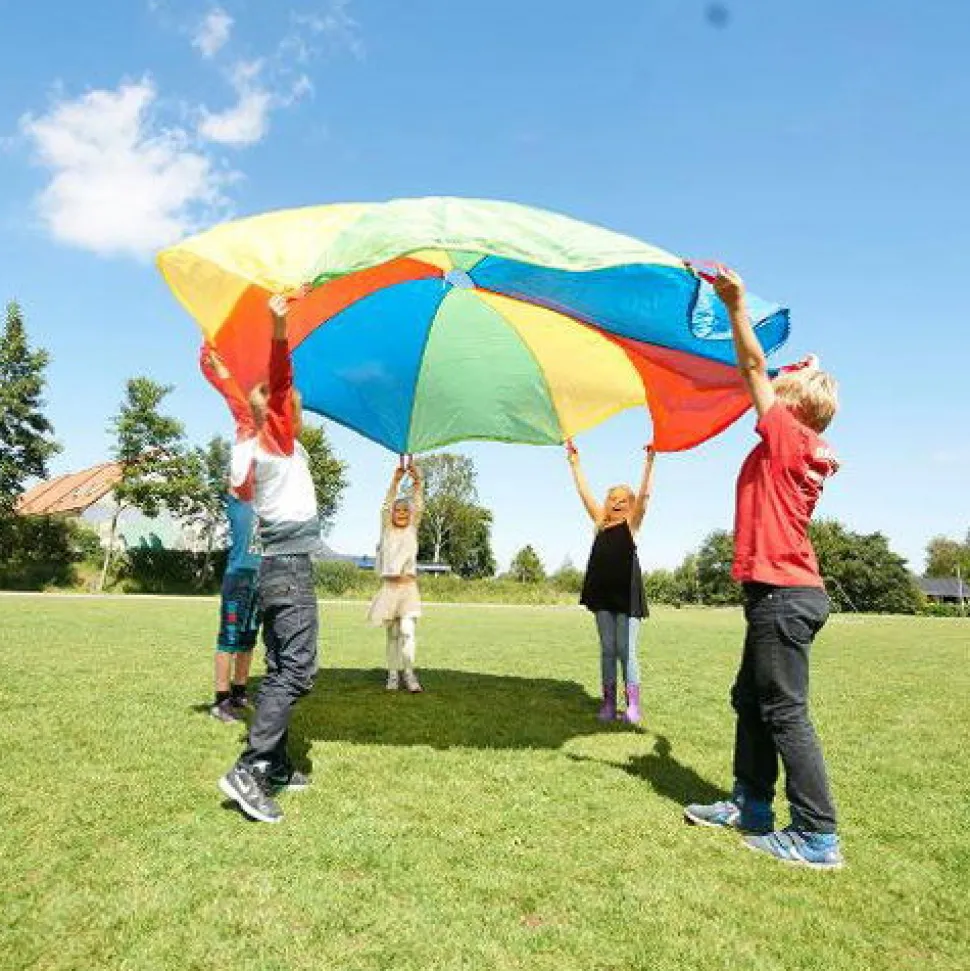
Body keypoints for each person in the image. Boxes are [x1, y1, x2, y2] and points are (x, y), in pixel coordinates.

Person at [683, 266, 843, 870]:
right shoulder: (804, 443)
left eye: (786, 385)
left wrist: (736, 306)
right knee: (749, 699)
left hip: (782, 593)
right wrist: (808, 370)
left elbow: (752, 367)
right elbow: (775, 378)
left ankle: (817, 836)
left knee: (783, 710)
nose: (775, 385)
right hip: (781, 592)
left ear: (795, 404)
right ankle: (750, 804)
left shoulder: (785, 435)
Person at [209, 293, 322, 824]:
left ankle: (275, 763)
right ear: (282, 413)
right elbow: (277, 383)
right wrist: (279, 325)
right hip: (290, 569)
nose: (297, 404)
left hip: (277, 569)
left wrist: (222, 372)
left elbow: (246, 403)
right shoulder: (275, 443)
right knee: (297, 671)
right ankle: (251, 768)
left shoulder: (265, 447)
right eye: (292, 402)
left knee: (279, 666)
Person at [567, 441, 656, 723]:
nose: (617, 503)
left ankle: (633, 706)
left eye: (623, 500)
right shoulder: (600, 522)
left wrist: (650, 462)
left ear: (630, 505)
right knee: (607, 649)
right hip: (602, 594)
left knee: (625, 650)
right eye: (612, 499)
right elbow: (584, 493)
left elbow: (645, 496)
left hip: (627, 595)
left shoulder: (631, 525)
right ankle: (608, 703)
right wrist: (575, 464)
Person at [200, 348, 262, 724]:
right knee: (229, 637)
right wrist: (221, 367)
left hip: (260, 579)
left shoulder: (268, 503)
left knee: (249, 639)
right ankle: (220, 700)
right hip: (238, 577)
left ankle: (239, 693)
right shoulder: (239, 498)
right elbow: (243, 414)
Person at [368, 459, 425, 693]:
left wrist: (417, 480)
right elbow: (385, 506)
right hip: (389, 589)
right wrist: (396, 480)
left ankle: (409, 675)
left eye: (405, 511)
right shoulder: (387, 530)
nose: (401, 513)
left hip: (409, 589)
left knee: (407, 631)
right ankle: (392, 676)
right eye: (397, 510)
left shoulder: (412, 529)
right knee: (392, 635)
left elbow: (418, 505)